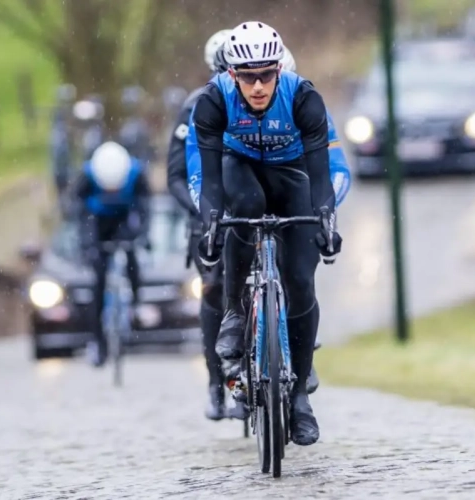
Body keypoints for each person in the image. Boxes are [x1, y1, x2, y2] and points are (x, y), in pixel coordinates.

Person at [193, 21, 343, 446]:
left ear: (279, 69)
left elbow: (319, 177)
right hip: (239, 169)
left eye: (266, 75)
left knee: (300, 279)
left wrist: (326, 221)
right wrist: (211, 224)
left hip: (293, 172)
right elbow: (210, 183)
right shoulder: (212, 101)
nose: (257, 86)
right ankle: (236, 311)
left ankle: (298, 400)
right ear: (231, 75)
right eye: (247, 77)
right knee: (243, 207)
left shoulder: (303, 98)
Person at [167, 28, 247, 421]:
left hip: (249, 208)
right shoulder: (196, 106)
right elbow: (177, 175)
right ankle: (219, 383)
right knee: (214, 290)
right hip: (208, 214)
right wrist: (202, 211)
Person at [69, 141, 151, 368]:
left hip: (124, 218)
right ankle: (98, 341)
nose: (112, 190)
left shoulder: (136, 174)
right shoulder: (86, 177)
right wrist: (88, 245)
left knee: (132, 259)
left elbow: (145, 209)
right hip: (97, 222)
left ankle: (135, 304)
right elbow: (79, 213)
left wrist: (141, 236)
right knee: (98, 279)